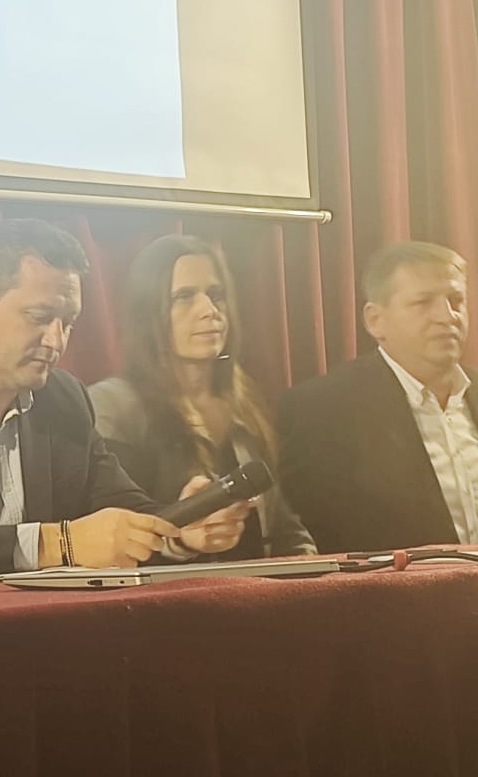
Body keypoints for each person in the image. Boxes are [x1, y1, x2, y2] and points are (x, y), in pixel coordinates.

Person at [0, 218, 251, 580]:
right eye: (39, 318)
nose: (56, 341)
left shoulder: (64, 398)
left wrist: (182, 528)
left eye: (67, 323)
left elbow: (123, 509)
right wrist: (58, 543)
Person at [276, 241, 478, 553]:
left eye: (456, 300)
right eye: (422, 303)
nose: (446, 316)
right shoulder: (323, 407)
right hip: (390, 583)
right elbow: (315, 534)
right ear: (375, 320)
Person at [89, 234, 315, 558]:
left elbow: (283, 526)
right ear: (147, 312)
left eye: (216, 295)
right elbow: (114, 543)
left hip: (260, 586)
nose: (209, 310)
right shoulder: (113, 407)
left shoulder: (246, 401)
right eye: (184, 297)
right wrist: (181, 540)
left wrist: (310, 566)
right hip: (170, 589)